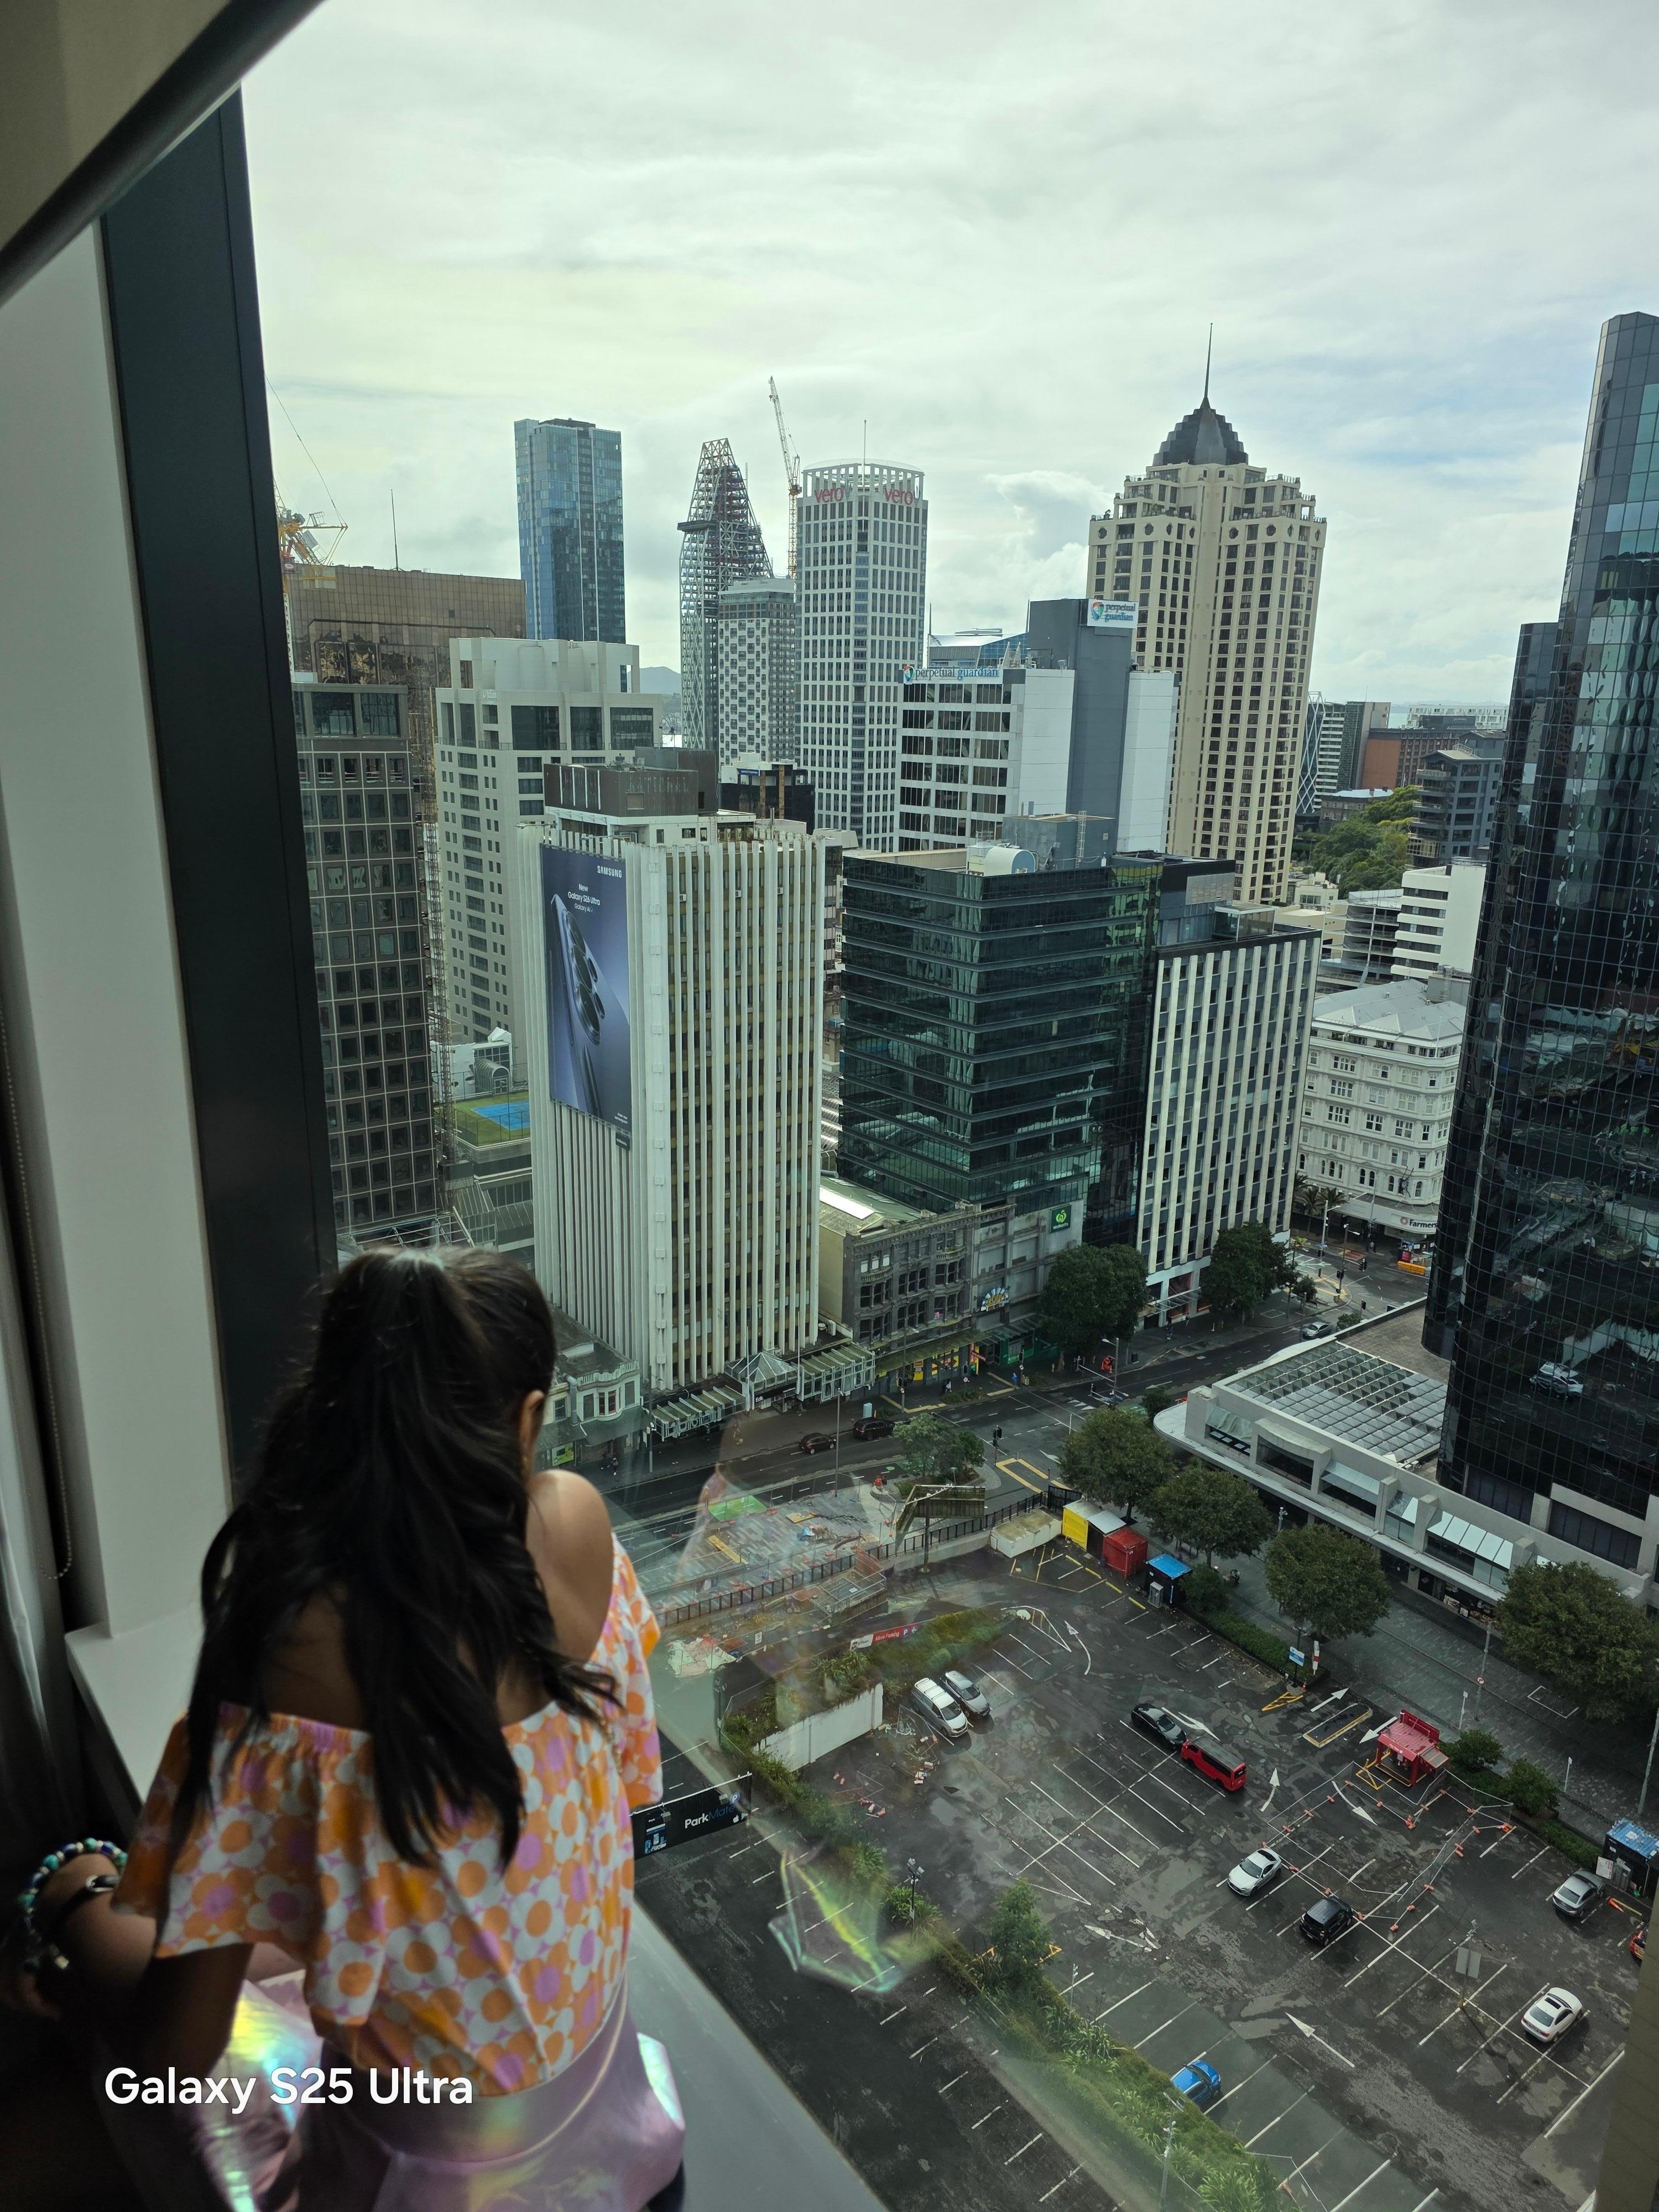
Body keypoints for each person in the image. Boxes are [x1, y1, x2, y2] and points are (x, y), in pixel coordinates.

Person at [9, 1249, 684, 2211]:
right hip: (621, 2150)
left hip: (407, 2188)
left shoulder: (288, 1642)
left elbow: (177, 2050)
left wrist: (71, 1906)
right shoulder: (574, 1527)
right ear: (526, 1420)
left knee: (85, 1890)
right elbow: (588, 1808)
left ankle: (48, 1901)